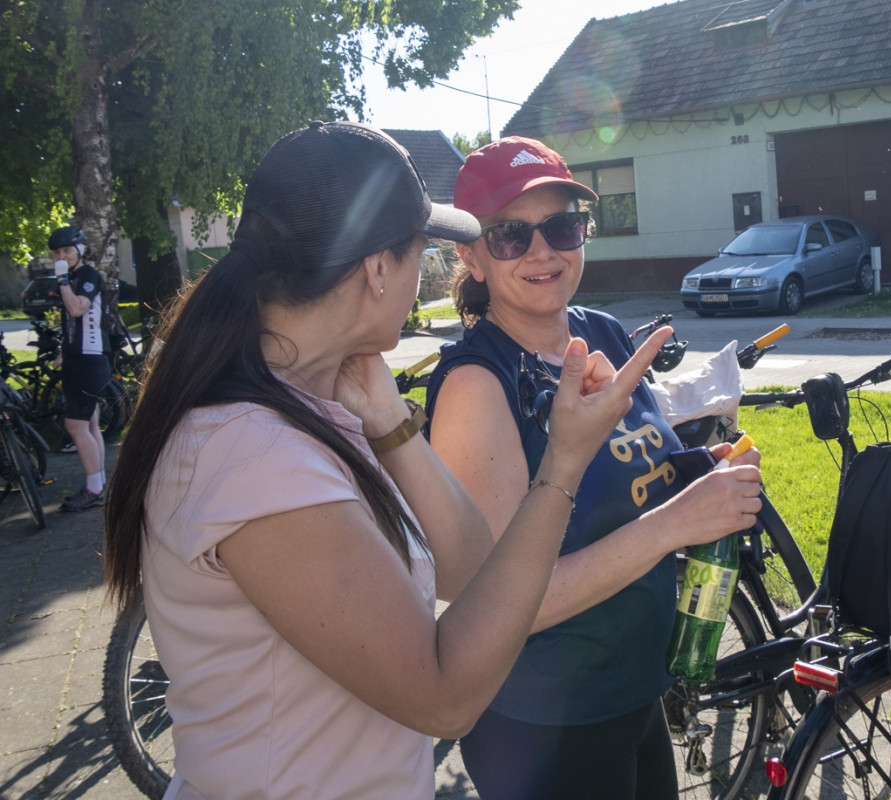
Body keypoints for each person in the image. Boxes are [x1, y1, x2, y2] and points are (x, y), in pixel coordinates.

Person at [101, 121, 673, 800]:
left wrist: (390, 424)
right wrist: (564, 463)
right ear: (377, 269)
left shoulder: (313, 407)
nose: (425, 276)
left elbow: (474, 572)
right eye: (419, 253)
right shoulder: (254, 453)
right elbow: (444, 699)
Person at [424, 136, 764, 800]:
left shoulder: (601, 333)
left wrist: (703, 473)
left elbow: (634, 478)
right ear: (470, 254)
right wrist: (675, 525)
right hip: (545, 724)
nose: (542, 251)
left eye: (561, 226)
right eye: (510, 235)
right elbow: (501, 607)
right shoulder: (478, 384)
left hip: (634, 689)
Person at [48, 225, 110, 511]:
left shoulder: (87, 276)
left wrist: (62, 280)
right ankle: (99, 482)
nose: (62, 256)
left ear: (80, 250)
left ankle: (94, 489)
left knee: (75, 425)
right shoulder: (71, 278)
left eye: (67, 250)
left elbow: (77, 309)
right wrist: (64, 352)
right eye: (57, 252)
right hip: (76, 358)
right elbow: (71, 323)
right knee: (91, 423)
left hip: (90, 359)